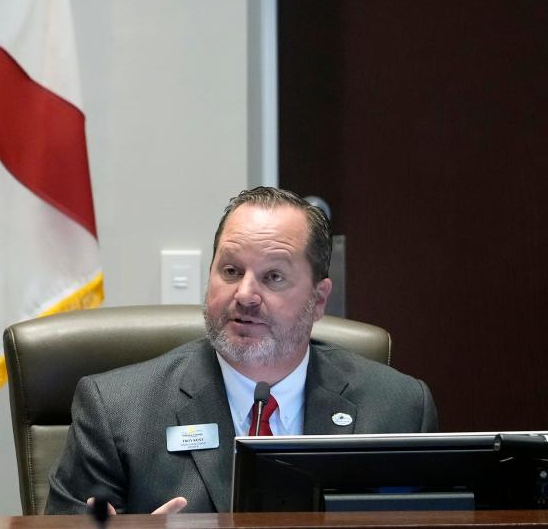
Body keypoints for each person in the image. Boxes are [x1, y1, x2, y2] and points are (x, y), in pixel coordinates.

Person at [46, 186, 438, 515]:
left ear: (318, 301)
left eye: (273, 277)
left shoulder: (398, 409)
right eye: (231, 271)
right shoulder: (117, 411)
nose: (246, 295)